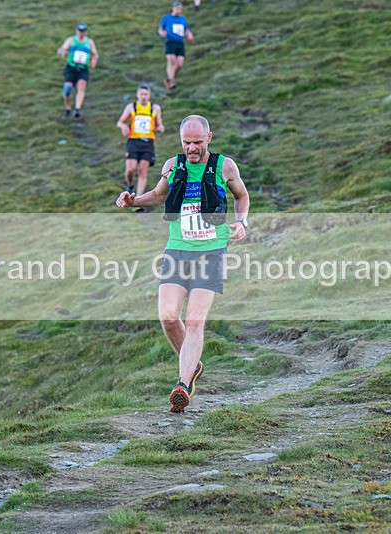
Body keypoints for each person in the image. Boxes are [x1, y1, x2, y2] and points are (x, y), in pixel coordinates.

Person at [115, 115, 250, 413]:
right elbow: (158, 196)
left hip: (211, 251)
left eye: (197, 143)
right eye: (186, 143)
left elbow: (242, 196)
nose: (191, 149)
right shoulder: (172, 166)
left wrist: (241, 223)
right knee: (167, 316)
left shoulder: (223, 166)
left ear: (209, 138)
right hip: (177, 250)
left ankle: (183, 384)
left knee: (195, 320)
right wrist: (133, 199)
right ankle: (192, 364)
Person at [116, 84, 166, 196]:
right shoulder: (131, 107)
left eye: (146, 94)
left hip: (148, 143)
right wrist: (123, 126)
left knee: (142, 171)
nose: (143, 97)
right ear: (137, 95)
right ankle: (130, 185)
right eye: (141, 94)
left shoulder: (155, 108)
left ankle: (138, 199)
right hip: (133, 141)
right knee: (130, 169)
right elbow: (120, 121)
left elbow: (160, 125)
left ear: (149, 95)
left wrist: (160, 128)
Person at [57, 22, 98, 120]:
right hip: (71, 67)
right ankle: (67, 107)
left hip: (83, 68)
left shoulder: (90, 42)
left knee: (81, 86)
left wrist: (93, 61)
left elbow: (95, 54)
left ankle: (77, 109)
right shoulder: (71, 40)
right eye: (80, 31)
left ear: (86, 32)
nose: (81, 34)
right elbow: (61, 49)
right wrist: (63, 53)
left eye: (83, 32)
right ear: (76, 31)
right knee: (67, 88)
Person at [158, 2, 194, 92]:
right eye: (177, 8)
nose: (179, 10)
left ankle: (170, 79)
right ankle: (171, 81)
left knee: (180, 64)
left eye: (180, 8)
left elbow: (186, 30)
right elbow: (160, 29)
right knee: (172, 60)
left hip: (180, 42)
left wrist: (189, 35)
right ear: (173, 8)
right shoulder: (166, 17)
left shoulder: (182, 19)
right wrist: (162, 33)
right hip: (170, 41)